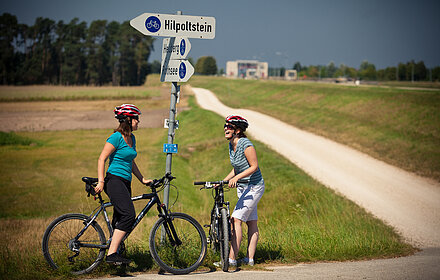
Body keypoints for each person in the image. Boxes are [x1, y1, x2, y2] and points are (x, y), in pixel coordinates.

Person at [94, 104, 152, 265]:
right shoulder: (116, 137)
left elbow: (130, 161)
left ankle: (117, 252)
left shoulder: (132, 138)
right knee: (128, 215)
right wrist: (101, 181)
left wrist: (143, 179)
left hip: (125, 181)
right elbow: (102, 159)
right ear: (128, 119)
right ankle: (112, 253)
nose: (138, 122)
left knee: (119, 218)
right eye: (136, 119)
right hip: (114, 181)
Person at [222, 115, 265, 267]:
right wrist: (225, 180)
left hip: (254, 186)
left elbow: (254, 166)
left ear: (238, 130)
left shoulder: (246, 144)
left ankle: (231, 260)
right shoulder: (231, 145)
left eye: (230, 127)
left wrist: (237, 178)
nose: (226, 128)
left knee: (236, 219)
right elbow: (237, 167)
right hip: (243, 187)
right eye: (226, 126)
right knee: (252, 222)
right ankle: (249, 259)